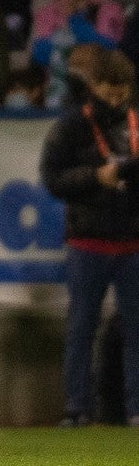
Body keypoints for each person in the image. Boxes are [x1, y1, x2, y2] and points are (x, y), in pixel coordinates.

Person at [39, 48, 139, 427]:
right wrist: (96, 178)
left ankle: (135, 410)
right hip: (88, 242)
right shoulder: (71, 127)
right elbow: (52, 179)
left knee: (136, 331)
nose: (115, 100)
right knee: (82, 327)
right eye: (109, 92)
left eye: (122, 93)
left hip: (132, 242)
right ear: (94, 86)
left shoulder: (136, 122)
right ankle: (77, 409)